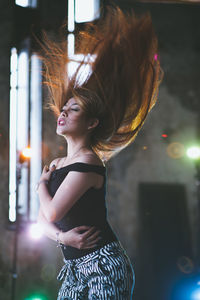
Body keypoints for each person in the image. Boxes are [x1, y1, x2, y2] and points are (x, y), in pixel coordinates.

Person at [36, 5, 164, 300]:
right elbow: (42, 221)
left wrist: (41, 185)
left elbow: (53, 210)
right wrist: (62, 237)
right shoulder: (58, 163)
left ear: (92, 122)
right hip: (74, 269)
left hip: (103, 265)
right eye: (64, 107)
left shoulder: (88, 163)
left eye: (74, 109)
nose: (63, 112)